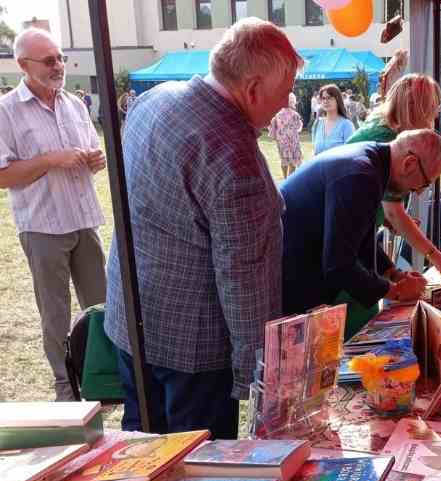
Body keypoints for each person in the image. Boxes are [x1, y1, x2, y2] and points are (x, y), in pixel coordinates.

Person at [104, 18, 303, 438]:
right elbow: (245, 278)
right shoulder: (234, 156)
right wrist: (261, 377)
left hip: (131, 318)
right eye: (284, 92)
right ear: (251, 89)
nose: (287, 104)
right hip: (193, 351)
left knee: (141, 454)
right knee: (195, 479)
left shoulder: (152, 100)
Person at [0, 28, 107, 402]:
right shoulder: (6, 111)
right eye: (49, 60)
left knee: (102, 304)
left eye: (60, 57)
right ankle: (67, 387)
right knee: (55, 312)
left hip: (84, 219)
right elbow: (3, 175)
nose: (58, 65)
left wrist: (96, 161)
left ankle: (105, 377)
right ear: (23, 65)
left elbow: (92, 156)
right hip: (42, 226)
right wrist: (49, 160)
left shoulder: (74, 104)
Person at [280, 130, 441, 333]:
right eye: (425, 183)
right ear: (409, 163)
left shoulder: (372, 163)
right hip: (291, 277)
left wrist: (394, 273)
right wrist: (396, 291)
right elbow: (338, 264)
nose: (420, 191)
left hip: (299, 266)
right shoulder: (361, 174)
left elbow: (360, 237)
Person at [347, 73, 441, 280]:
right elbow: (394, 213)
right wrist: (438, 258)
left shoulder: (383, 128)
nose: (433, 119)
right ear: (417, 110)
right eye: (431, 112)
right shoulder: (388, 140)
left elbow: (385, 207)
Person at [312, 84, 354, 155]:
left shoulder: (346, 125)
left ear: (338, 100)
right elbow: (315, 152)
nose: (326, 101)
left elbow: (351, 154)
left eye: (330, 98)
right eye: (323, 98)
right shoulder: (317, 123)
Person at [268, 92, 303, 178]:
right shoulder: (295, 114)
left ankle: (285, 178)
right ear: (293, 101)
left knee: (284, 160)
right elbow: (299, 127)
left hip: (281, 141)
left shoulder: (277, 114)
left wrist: (275, 137)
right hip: (293, 141)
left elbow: (272, 127)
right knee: (293, 162)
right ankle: (289, 180)